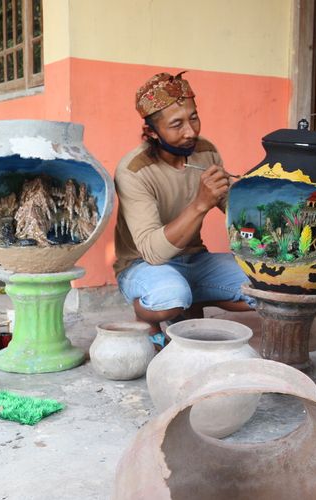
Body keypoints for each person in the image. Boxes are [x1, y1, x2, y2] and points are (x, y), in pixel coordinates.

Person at [113, 71, 254, 348]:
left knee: (266, 283)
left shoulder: (205, 151)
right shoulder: (134, 171)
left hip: (195, 259)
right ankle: (150, 318)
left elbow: (231, 208)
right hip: (142, 264)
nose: (191, 131)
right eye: (176, 124)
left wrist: (253, 198)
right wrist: (201, 203)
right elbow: (153, 252)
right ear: (152, 132)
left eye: (193, 117)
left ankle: (189, 302)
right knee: (170, 297)